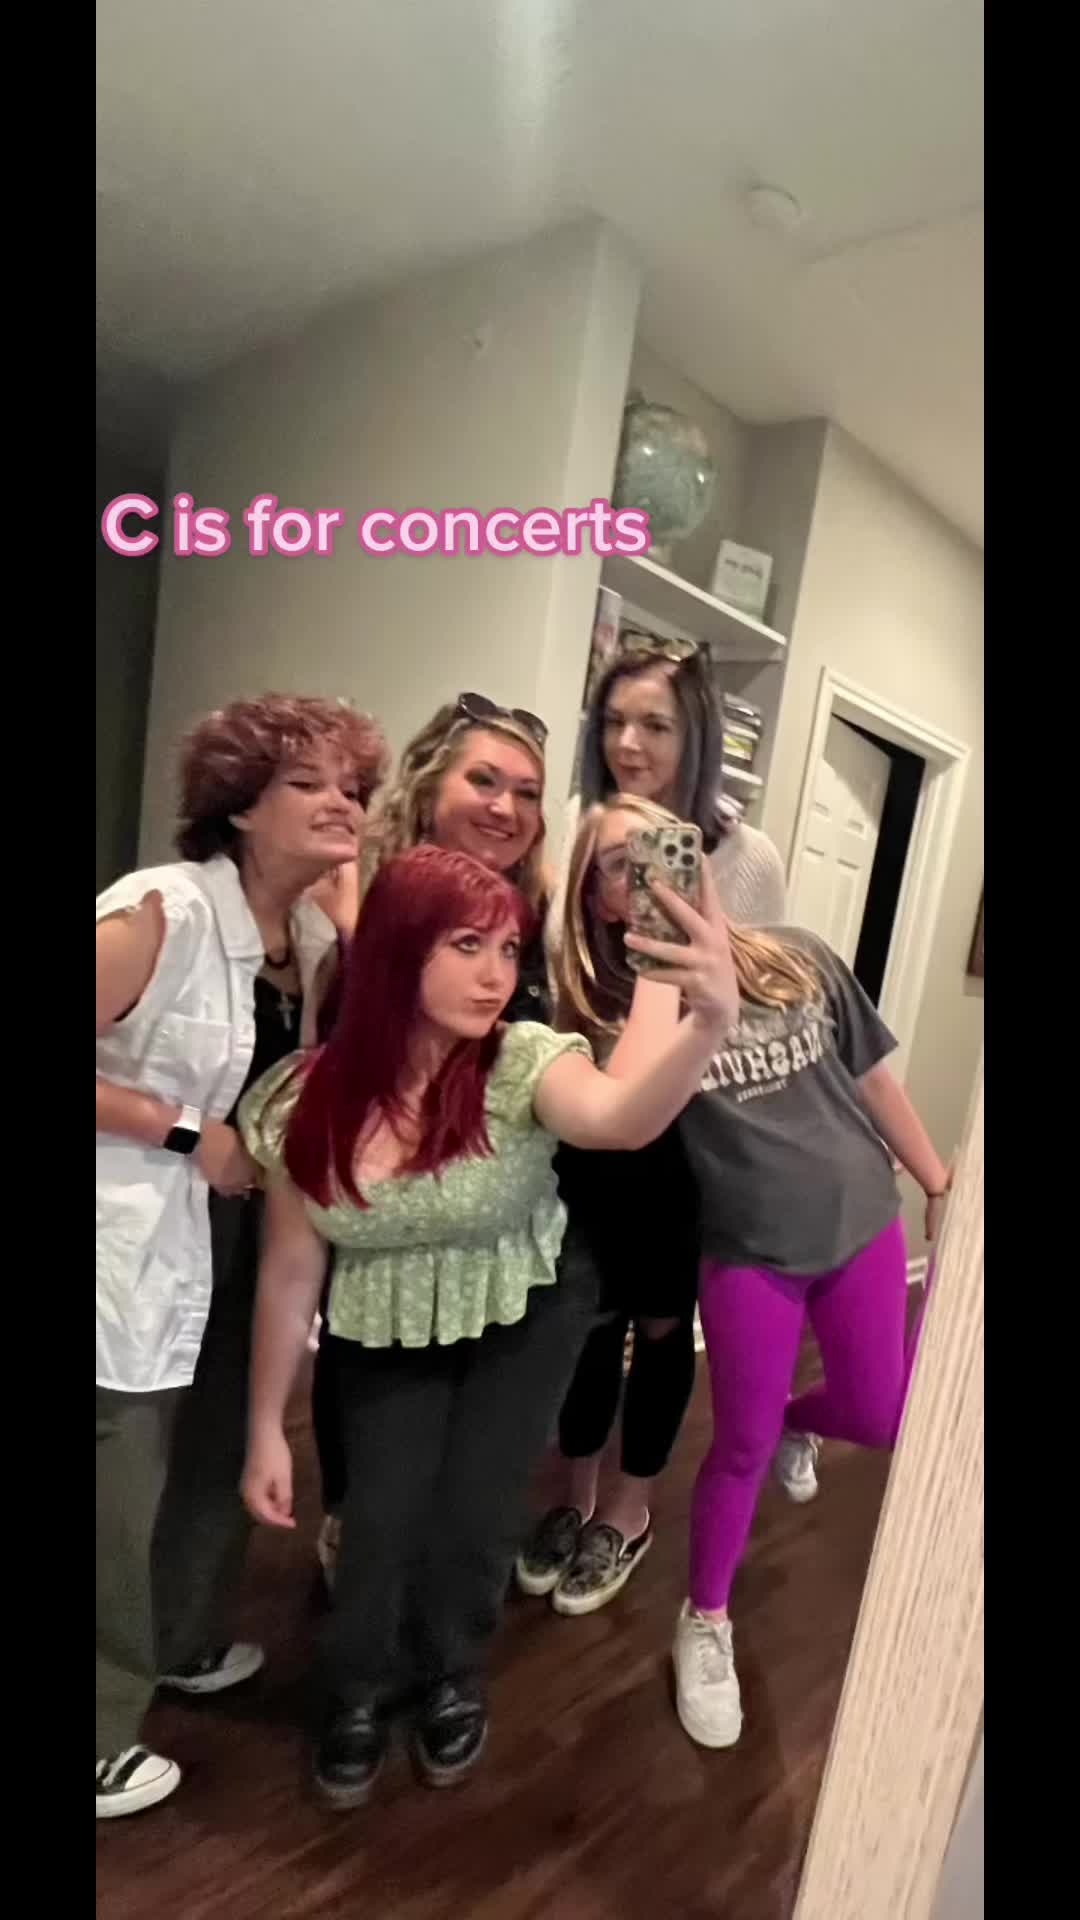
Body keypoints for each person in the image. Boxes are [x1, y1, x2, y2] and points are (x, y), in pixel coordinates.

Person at [238, 841, 739, 1808]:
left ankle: (451, 1671)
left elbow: (621, 1120)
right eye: (466, 945)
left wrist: (706, 1019)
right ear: (399, 948)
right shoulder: (308, 1097)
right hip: (386, 1320)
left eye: (507, 949)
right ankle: (357, 1688)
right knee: (379, 1517)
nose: (494, 974)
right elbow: (290, 1272)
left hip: (523, 1310)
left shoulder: (520, 1063)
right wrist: (265, 1424)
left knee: (477, 1510)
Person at [96, 694, 388, 1820]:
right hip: (125, 1227)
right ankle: (99, 1733)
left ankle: (177, 1638)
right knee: (121, 1479)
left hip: (228, 1234)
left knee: (219, 1439)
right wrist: (186, 1132)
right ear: (239, 805)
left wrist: (352, 925)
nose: (340, 805)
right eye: (308, 784)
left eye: (353, 789)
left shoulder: (304, 943)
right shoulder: (159, 913)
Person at [612, 894, 949, 1751]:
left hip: (860, 1219)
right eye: (625, 874)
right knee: (740, 1444)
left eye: (675, 859)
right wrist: (660, 985)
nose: (657, 887)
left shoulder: (800, 954)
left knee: (884, 1415)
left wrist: (939, 1183)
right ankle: (705, 1618)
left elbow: (873, 1078)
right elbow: (628, 1115)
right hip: (750, 1253)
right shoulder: (647, 1013)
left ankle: (799, 1420)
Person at [516, 635, 784, 1614]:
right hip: (586, 1116)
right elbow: (560, 971)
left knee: (663, 1324)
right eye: (616, 722)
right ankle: (570, 1491)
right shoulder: (584, 825)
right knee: (587, 1314)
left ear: (697, 735)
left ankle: (628, 1512)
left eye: (656, 726)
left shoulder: (744, 858)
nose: (629, 745)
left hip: (688, 1131)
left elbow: (760, 1007)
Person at [310, 692, 556, 1584]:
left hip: (495, 1216)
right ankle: (356, 1530)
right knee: (367, 1387)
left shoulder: (540, 920)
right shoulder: (364, 898)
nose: (505, 807)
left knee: (473, 1446)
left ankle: (441, 1563)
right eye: (484, 781)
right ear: (431, 786)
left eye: (527, 793)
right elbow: (348, 1047)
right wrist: (361, 936)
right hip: (381, 1205)